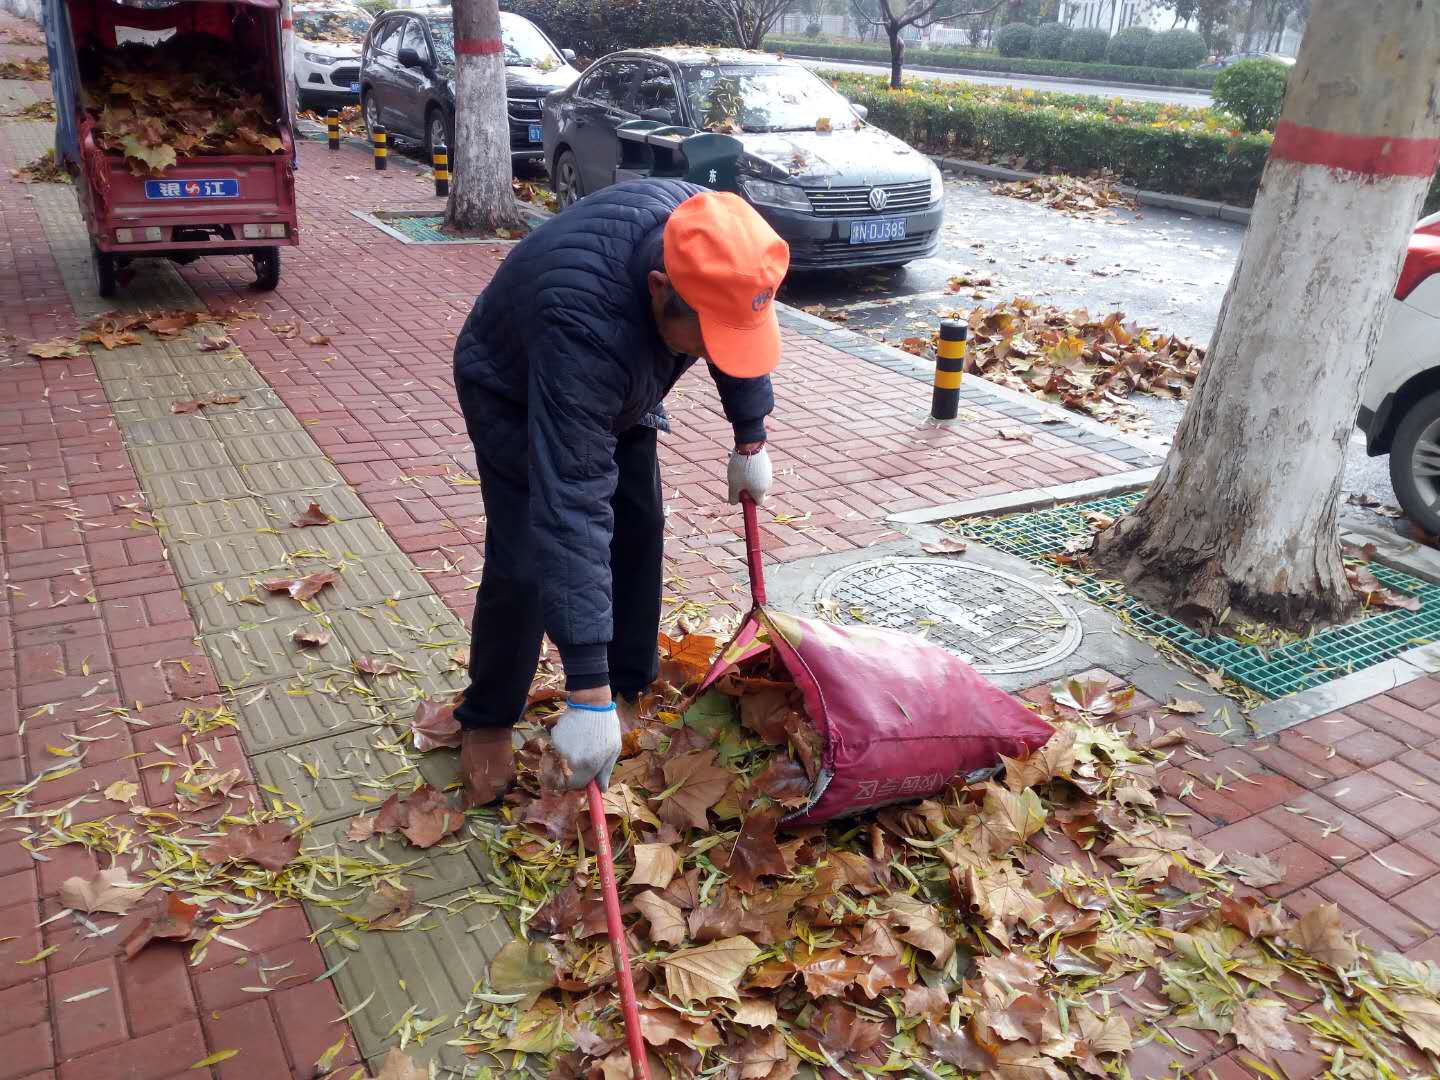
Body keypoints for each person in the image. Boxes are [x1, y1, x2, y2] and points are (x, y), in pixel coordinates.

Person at [450, 179, 790, 803]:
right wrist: (584, 691)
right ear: (660, 288)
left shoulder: (715, 239)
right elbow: (573, 504)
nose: (714, 351)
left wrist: (750, 434)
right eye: (706, 337)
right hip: (512, 386)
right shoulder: (582, 319)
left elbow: (739, 331)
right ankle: (489, 715)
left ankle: (629, 682)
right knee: (526, 559)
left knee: (640, 524)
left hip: (626, 377)